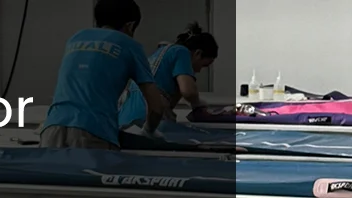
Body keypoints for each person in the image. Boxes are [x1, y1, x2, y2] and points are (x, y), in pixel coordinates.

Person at [40, 0, 168, 150]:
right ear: (130, 25)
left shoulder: (75, 38)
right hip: (93, 131)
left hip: (52, 128)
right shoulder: (130, 45)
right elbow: (156, 107)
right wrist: (148, 131)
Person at [117, 22, 219, 130]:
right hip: (144, 120)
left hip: (125, 120)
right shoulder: (182, 52)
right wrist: (198, 104)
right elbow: (189, 92)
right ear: (198, 53)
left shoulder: (159, 55)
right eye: (204, 65)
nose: (199, 70)